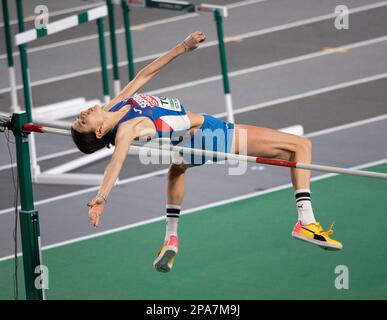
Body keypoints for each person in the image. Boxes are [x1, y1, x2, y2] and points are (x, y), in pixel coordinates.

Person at [71, 31, 342, 273]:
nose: (83, 113)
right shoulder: (127, 129)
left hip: (188, 146)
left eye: (79, 116)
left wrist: (183, 47)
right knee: (300, 146)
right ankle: (306, 221)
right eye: (83, 120)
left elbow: (145, 74)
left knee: (177, 169)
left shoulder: (117, 106)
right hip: (211, 134)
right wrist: (102, 196)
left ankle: (171, 237)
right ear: (97, 133)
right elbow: (115, 164)